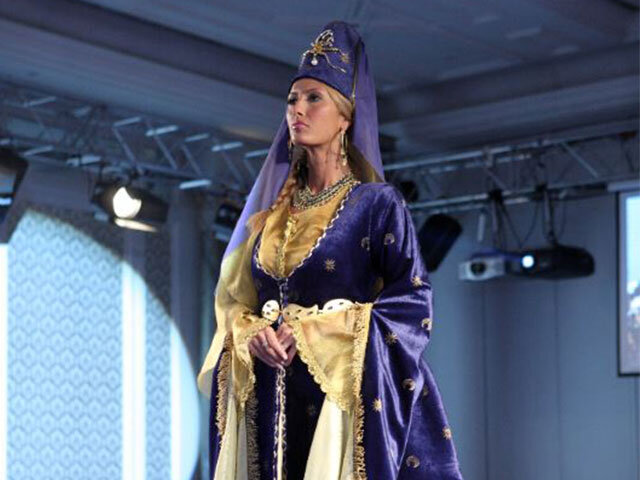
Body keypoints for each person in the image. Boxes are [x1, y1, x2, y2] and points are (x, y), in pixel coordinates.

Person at [197, 21, 465, 480]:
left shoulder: (377, 204)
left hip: (340, 406)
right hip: (273, 399)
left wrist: (313, 331)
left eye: (313, 98)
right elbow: (236, 304)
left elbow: (412, 303)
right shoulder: (269, 218)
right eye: (291, 100)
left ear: (345, 118)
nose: (297, 110)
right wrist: (251, 334)